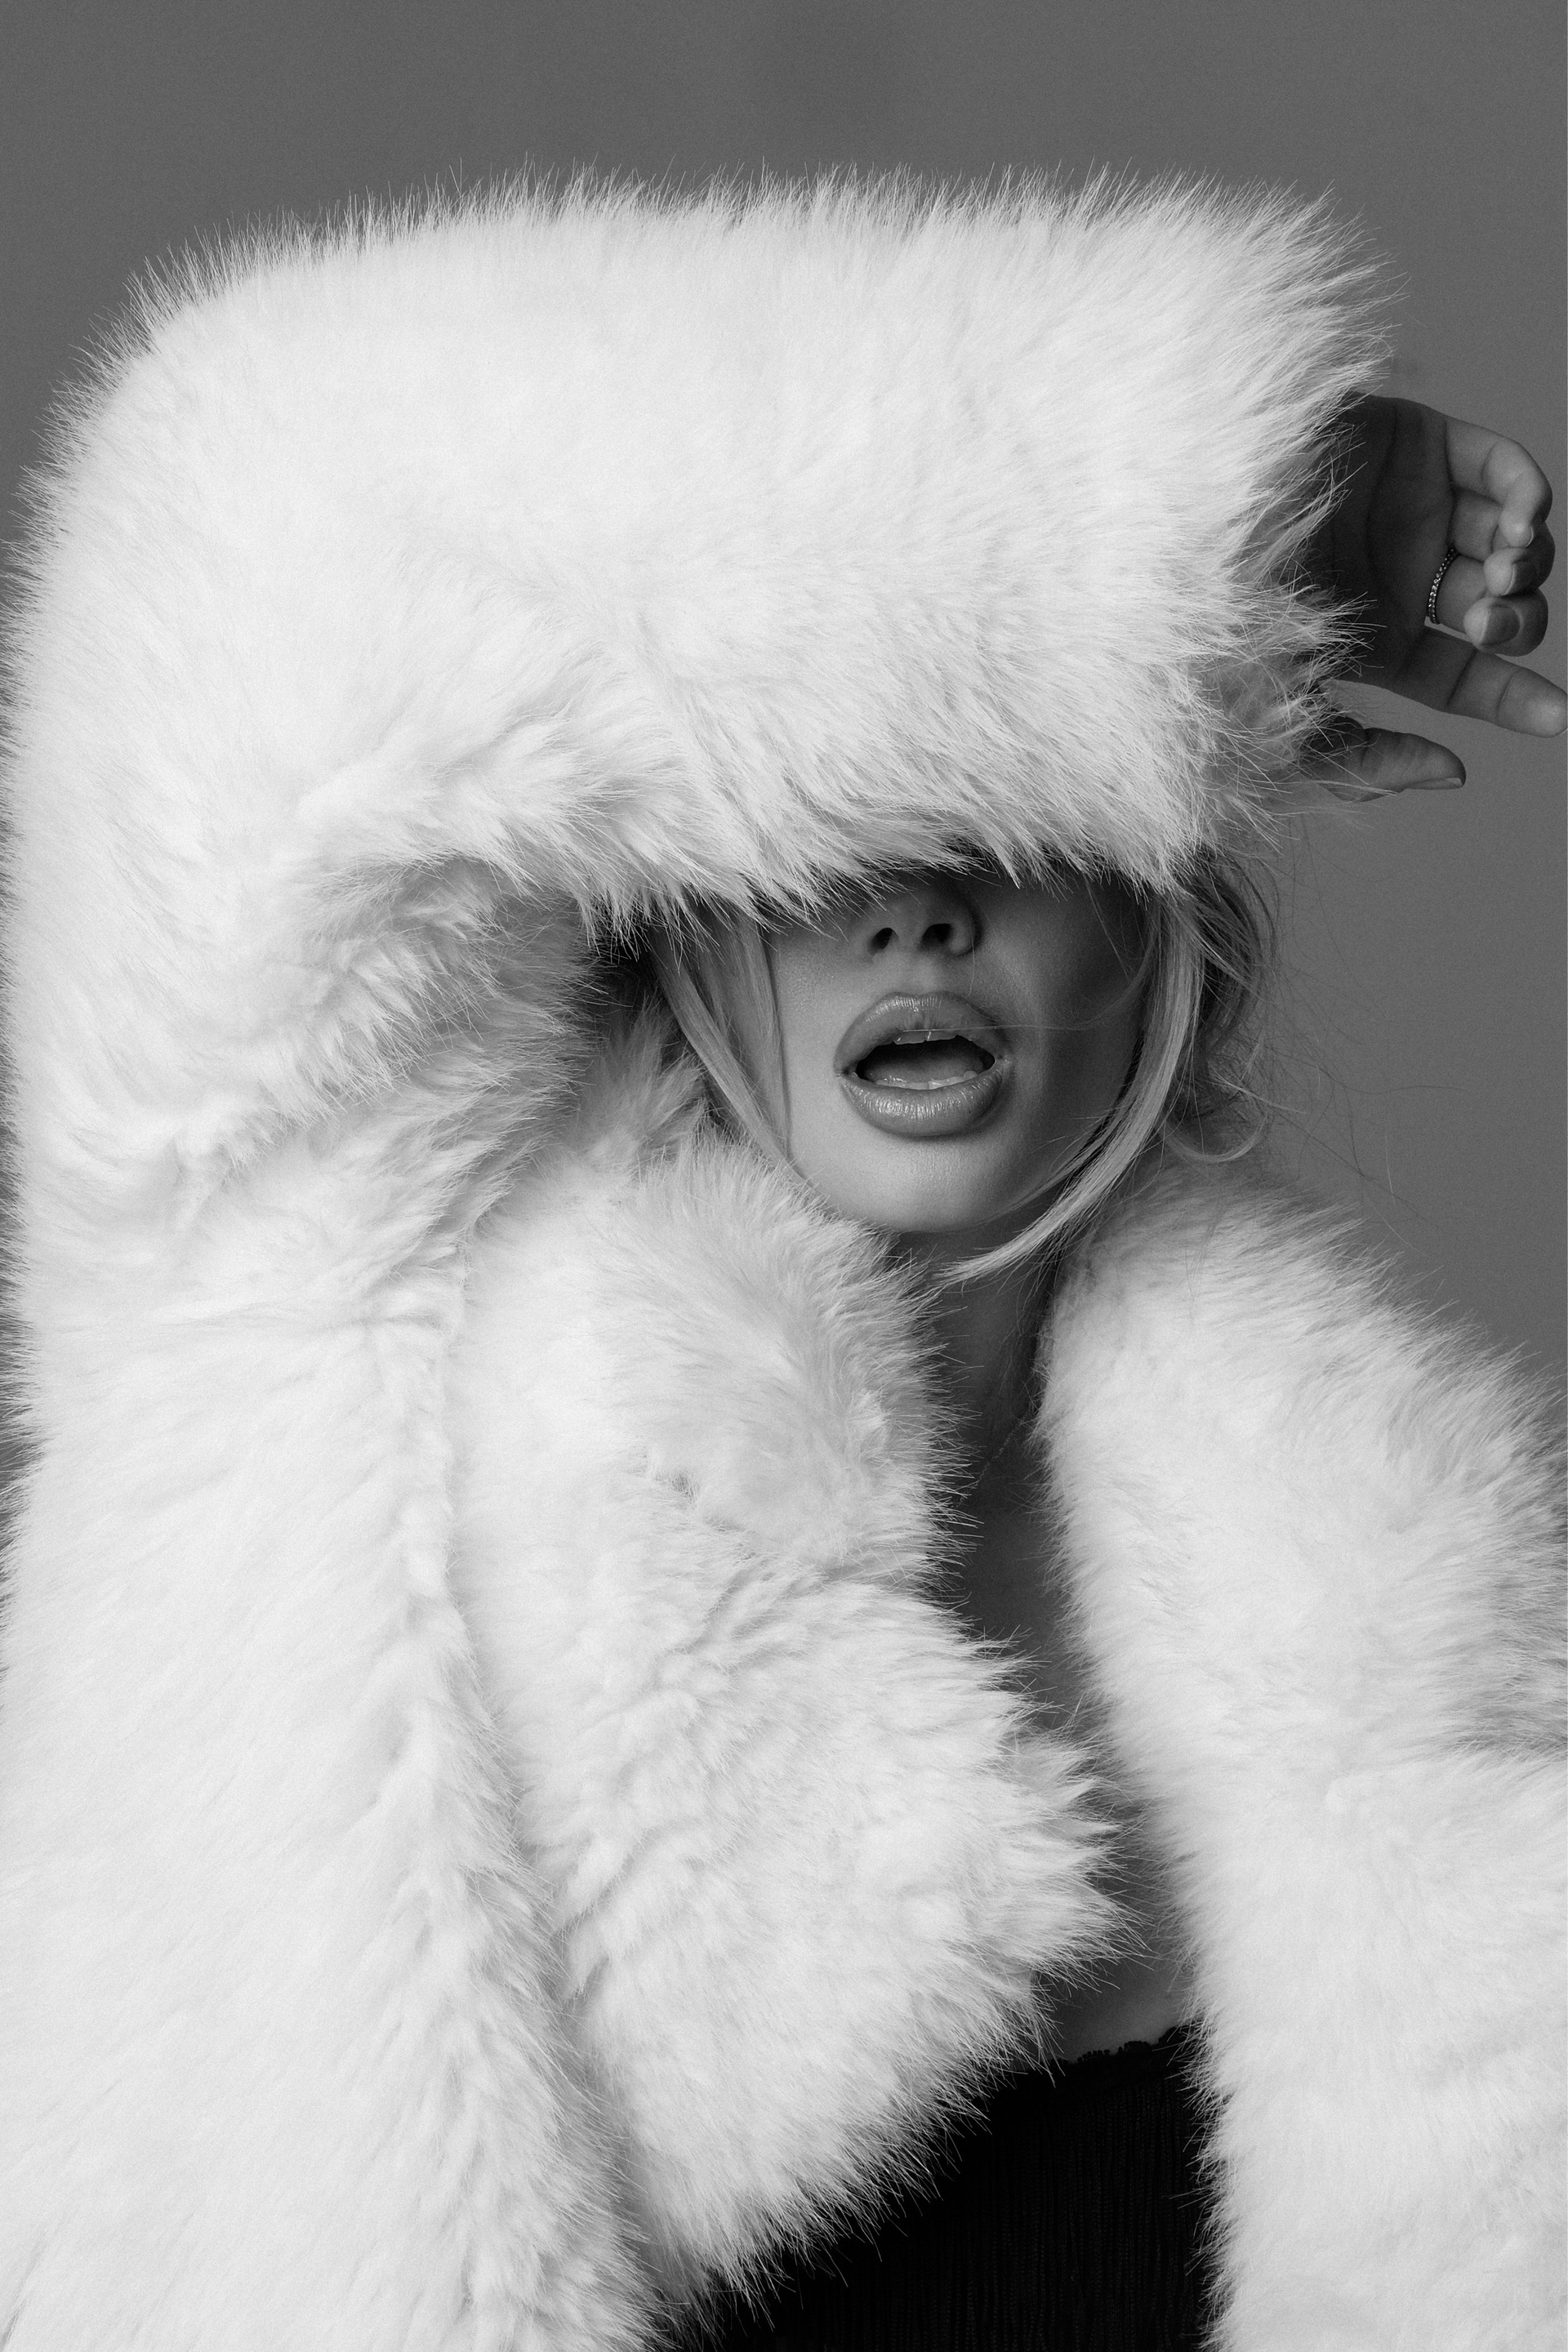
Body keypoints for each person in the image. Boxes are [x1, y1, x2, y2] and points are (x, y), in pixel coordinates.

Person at [0, 177, 1560, 2352]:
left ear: (1165, 931)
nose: (912, 920)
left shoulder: (1415, 1654)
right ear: (670, 908)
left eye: (999, 835)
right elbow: (256, 541)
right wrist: (1181, 534)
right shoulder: (324, 1385)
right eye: (820, 850)